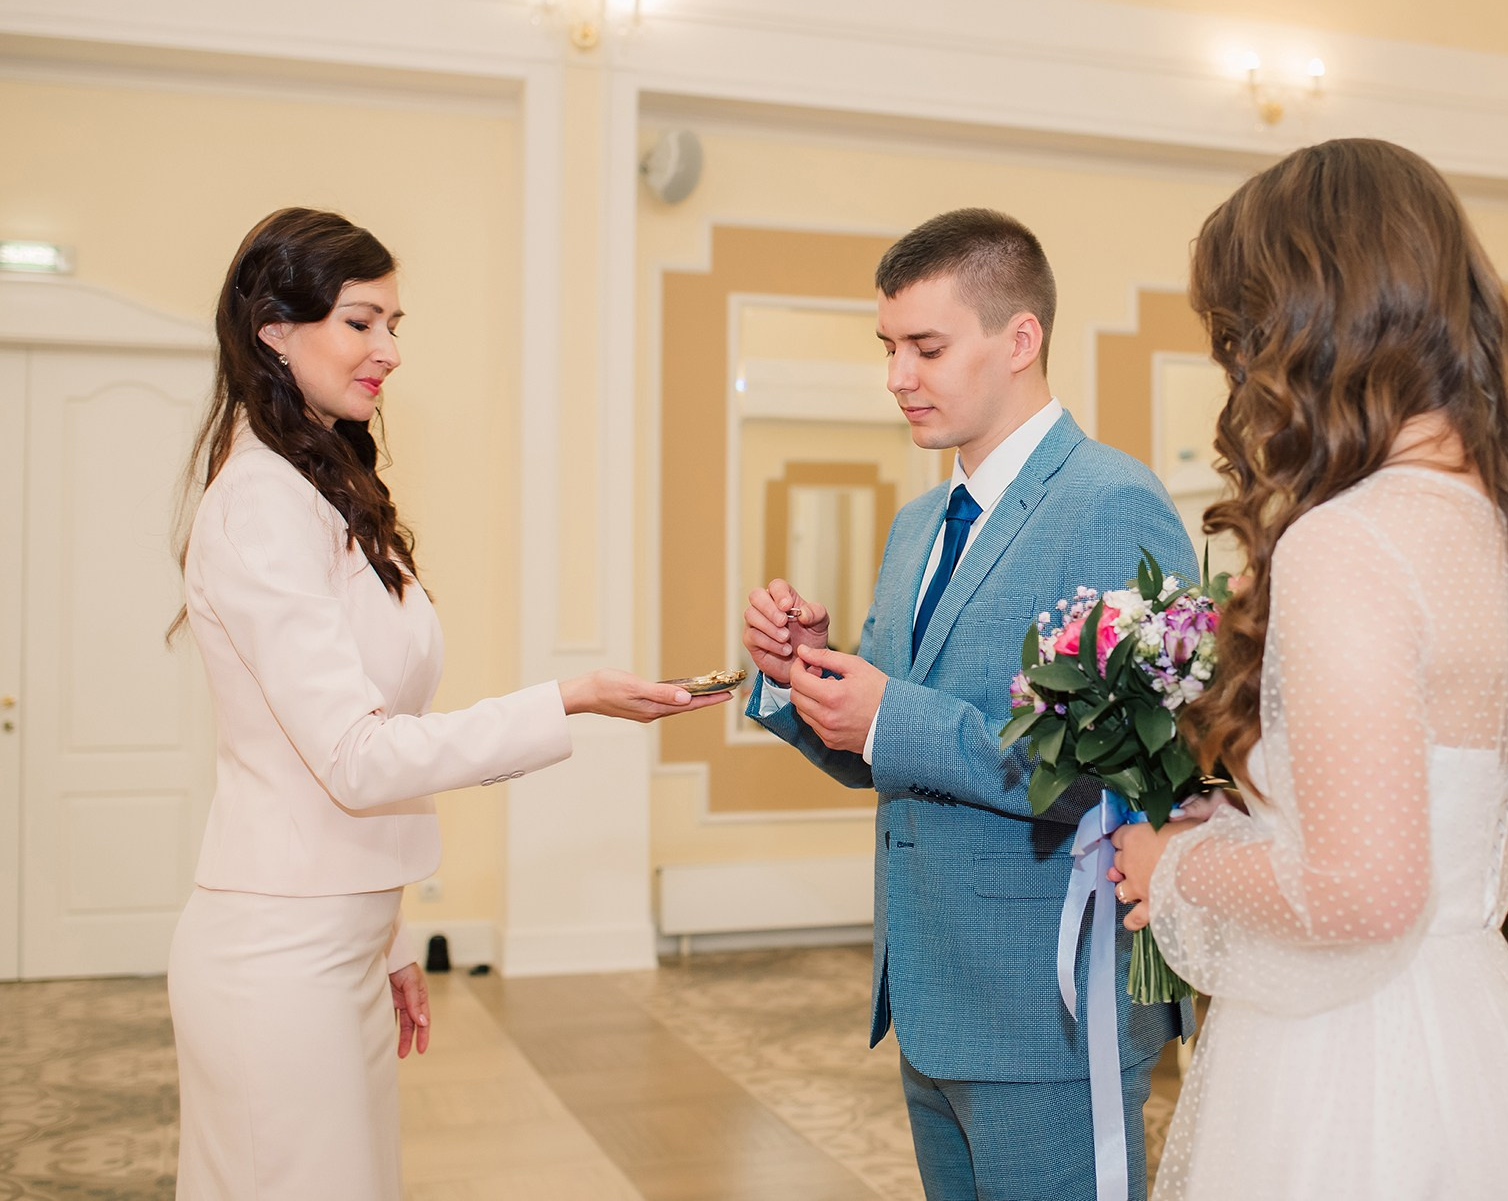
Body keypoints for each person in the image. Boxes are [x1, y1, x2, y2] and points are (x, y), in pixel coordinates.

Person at [168, 209, 728, 1200]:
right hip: (276, 960)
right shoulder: (259, 500)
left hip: (333, 938)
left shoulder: (322, 489)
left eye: (395, 323)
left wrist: (383, 937)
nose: (388, 350)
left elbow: (356, 745)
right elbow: (356, 755)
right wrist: (572, 697)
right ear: (273, 329)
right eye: (361, 321)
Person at [1106, 139, 1508, 1198]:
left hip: (1348, 1064)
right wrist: (1252, 833)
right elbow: (1496, 860)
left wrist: (1173, 865)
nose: (1235, 364)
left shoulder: (1346, 541)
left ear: (1305, 323)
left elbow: (1362, 888)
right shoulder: (1503, 526)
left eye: (1240, 329)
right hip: (1473, 1033)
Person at [741, 209, 1196, 1200]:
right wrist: (801, 676)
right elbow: (884, 744)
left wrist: (889, 713)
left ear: (1019, 337)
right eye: (888, 348)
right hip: (933, 994)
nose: (897, 375)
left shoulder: (1112, 502)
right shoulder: (916, 525)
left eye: (926, 347)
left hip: (1049, 1005)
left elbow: (1121, 772)